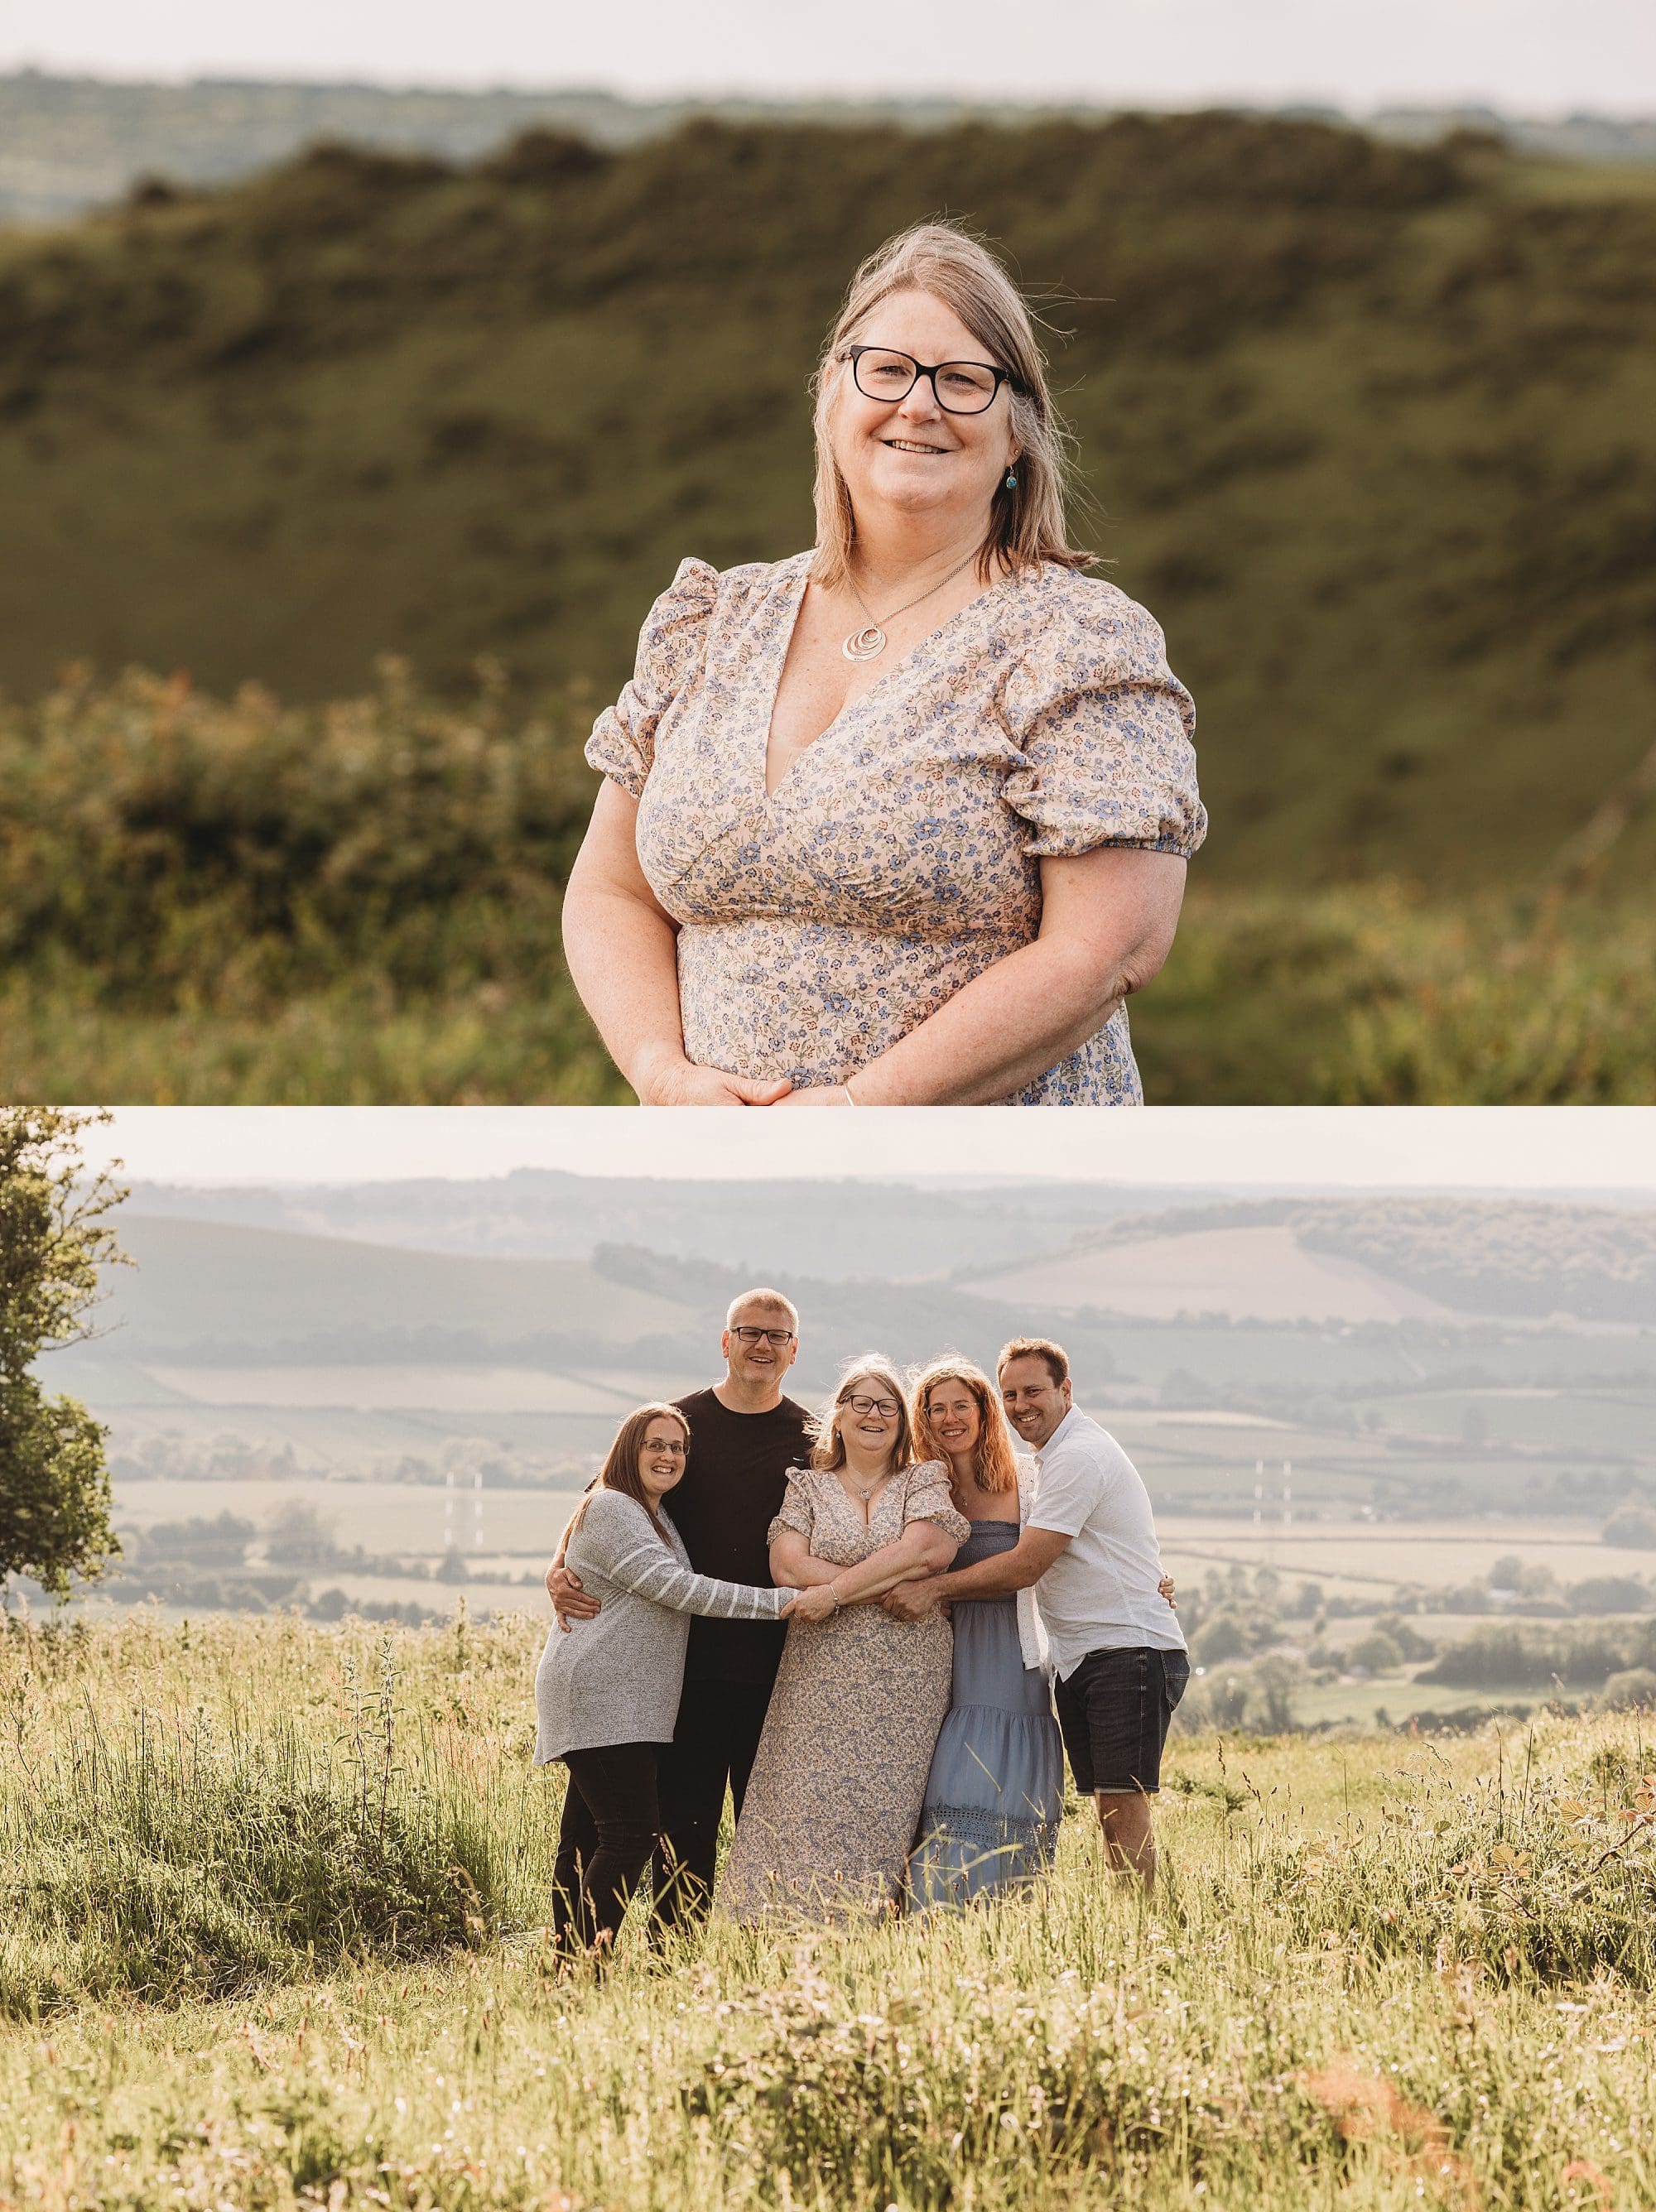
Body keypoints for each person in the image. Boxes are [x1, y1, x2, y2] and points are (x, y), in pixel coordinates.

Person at [561, 219, 1205, 1108]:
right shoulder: (716, 620)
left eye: (963, 381)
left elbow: (1108, 947)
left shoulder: (1078, 642)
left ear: (1018, 432)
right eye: (887, 369)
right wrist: (661, 1075)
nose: (918, 405)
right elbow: (610, 888)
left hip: (994, 1202)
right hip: (720, 1188)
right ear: (831, 396)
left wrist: (863, 1109)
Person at [545, 1288, 814, 1930]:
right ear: (725, 1341)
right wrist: (556, 1568)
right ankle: (671, 1962)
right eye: (749, 1332)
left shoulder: (811, 1437)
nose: (761, 1345)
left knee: (764, 1831)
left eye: (776, 1336)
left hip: (779, 1669)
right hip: (683, 1673)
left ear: (795, 1351)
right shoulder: (680, 1426)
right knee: (680, 1832)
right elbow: (601, 1503)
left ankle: (759, 1960)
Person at [886, 1338, 1187, 1893]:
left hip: (1115, 1649)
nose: (1022, 1404)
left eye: (1033, 1391)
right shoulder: (1027, 1466)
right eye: (1012, 1394)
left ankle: (1149, 1934)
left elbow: (1027, 1564)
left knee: (1121, 1806)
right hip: (1073, 1657)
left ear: (1065, 1390)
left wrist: (933, 1590)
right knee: (1109, 1808)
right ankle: (1130, 1926)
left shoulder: (1065, 1461)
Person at [717, 1357, 970, 1921]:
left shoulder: (924, 1479)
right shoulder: (806, 1485)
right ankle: (787, 1928)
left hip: (907, 1675)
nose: (874, 1414)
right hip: (818, 1669)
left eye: (887, 1405)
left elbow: (927, 1551)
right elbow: (786, 1566)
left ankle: (869, 1929)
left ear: (903, 1422)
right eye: (861, 1402)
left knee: (885, 1803)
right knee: (809, 1797)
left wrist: (832, 1595)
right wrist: (882, 1583)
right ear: (839, 1415)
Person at [904, 1357, 1063, 1907]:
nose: (949, 1418)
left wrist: (1150, 1580)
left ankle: (1003, 1928)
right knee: (949, 1796)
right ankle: (936, 1928)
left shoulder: (1031, 1480)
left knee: (998, 1794)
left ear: (983, 1411)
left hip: (1012, 1662)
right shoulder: (920, 1490)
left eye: (960, 1406)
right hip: (939, 1665)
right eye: (935, 1408)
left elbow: (1075, 1546)